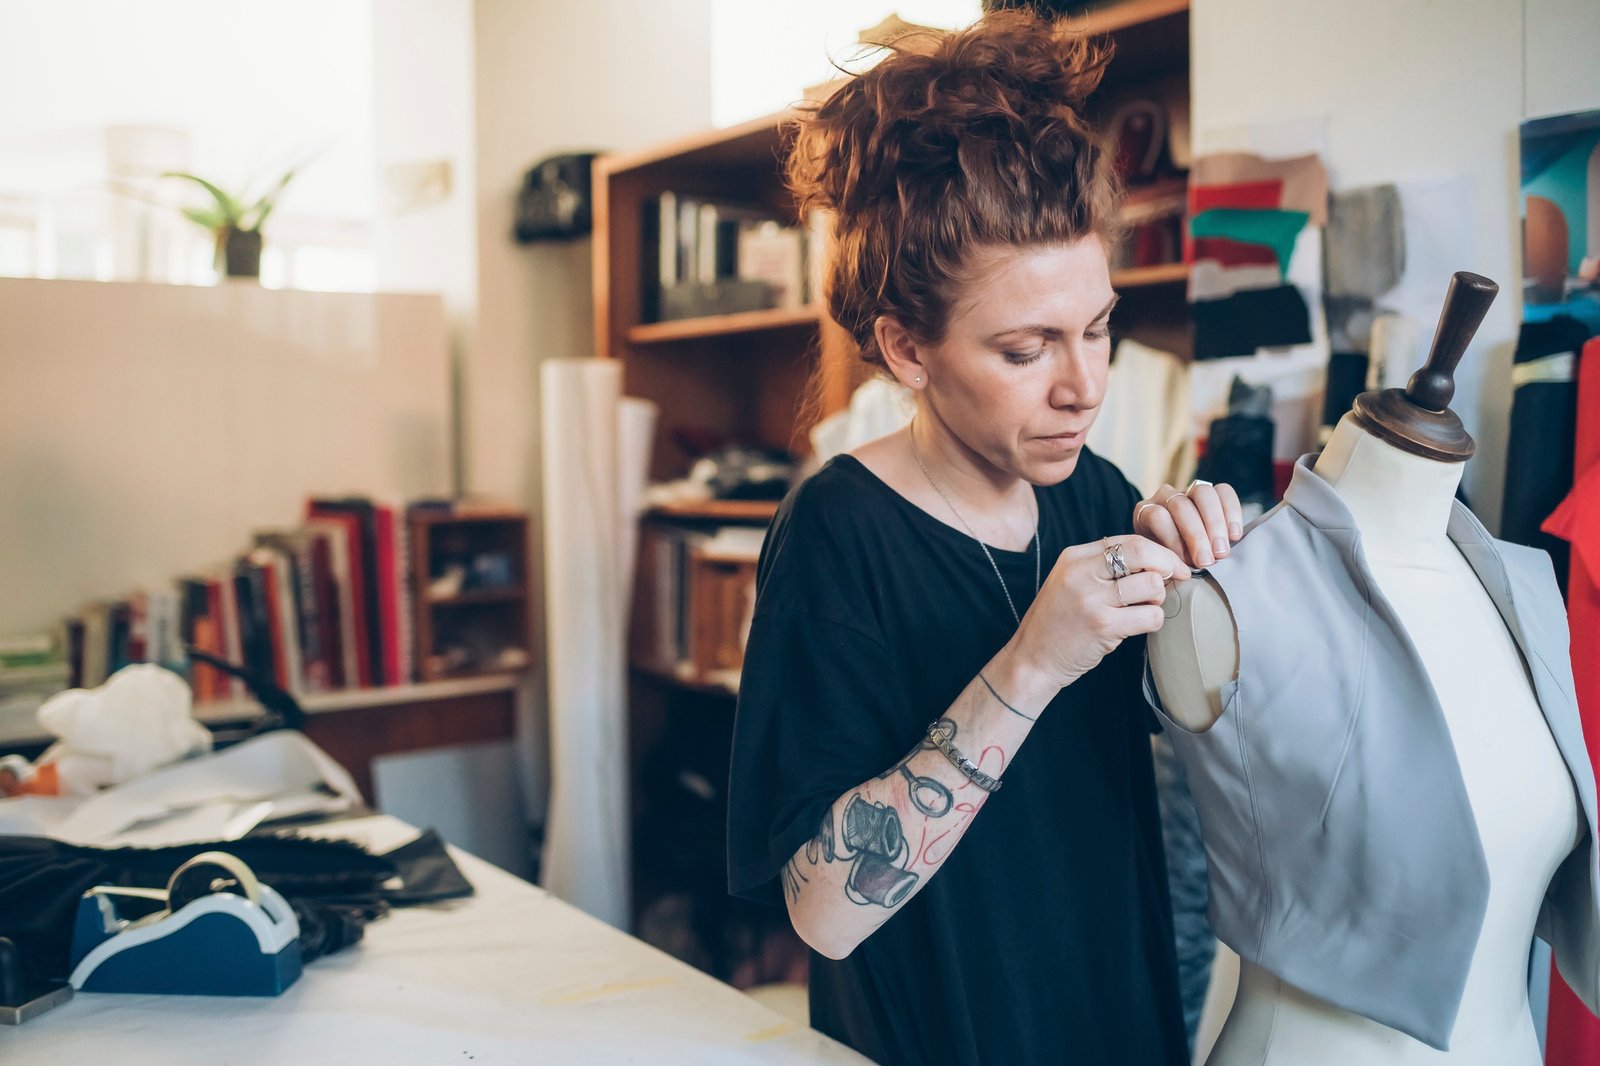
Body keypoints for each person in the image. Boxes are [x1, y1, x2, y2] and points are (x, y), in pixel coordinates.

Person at [726, 11, 1242, 1065]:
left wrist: (1206, 591)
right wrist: (1032, 662)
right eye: (1025, 348)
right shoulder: (835, 538)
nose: (1084, 385)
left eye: (1097, 327)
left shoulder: (1091, 491)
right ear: (906, 347)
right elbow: (823, 908)